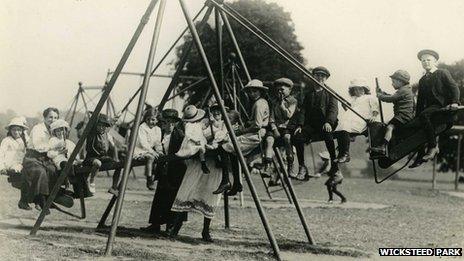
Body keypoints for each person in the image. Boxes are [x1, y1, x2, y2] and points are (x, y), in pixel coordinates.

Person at [170, 107, 225, 242]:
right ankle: (175, 228)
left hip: (214, 164)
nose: (216, 114)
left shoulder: (225, 125)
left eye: (219, 112)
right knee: (188, 191)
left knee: (210, 195)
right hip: (198, 163)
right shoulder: (202, 124)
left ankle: (205, 231)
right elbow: (196, 137)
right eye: (214, 111)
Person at [217, 79, 270, 196]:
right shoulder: (259, 102)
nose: (252, 94)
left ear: (260, 92)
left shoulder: (259, 104)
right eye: (250, 92)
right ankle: (237, 183)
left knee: (223, 147)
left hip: (255, 136)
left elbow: (257, 125)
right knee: (233, 152)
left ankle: (226, 180)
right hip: (253, 134)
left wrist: (241, 131)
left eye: (255, 91)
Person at [409, 50, 460, 167]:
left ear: (435, 61)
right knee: (418, 122)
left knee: (424, 116)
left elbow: (454, 88)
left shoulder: (442, 73)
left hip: (442, 106)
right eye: (423, 61)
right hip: (431, 108)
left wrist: (455, 102)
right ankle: (420, 154)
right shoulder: (423, 80)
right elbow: (421, 100)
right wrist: (417, 116)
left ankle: (433, 147)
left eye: (428, 60)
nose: (426, 62)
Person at [142, 109, 188, 235]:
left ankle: (171, 227)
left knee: (172, 199)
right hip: (163, 170)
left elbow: (184, 152)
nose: (169, 125)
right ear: (163, 123)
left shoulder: (179, 135)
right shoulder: (159, 134)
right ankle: (155, 224)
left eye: (172, 123)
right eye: (167, 122)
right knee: (160, 197)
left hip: (176, 171)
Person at [293, 66, 338, 180]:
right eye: (317, 75)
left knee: (328, 136)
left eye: (322, 76)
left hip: (325, 123)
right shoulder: (309, 94)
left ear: (326, 78)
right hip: (311, 125)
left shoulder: (330, 93)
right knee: (298, 137)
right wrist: (300, 125)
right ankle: (302, 166)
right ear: (313, 77)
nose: (319, 78)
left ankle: (334, 164)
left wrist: (329, 122)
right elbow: (303, 110)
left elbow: (333, 110)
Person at [21, 107, 60, 213]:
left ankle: (49, 198)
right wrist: (53, 147)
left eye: (56, 117)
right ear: (44, 118)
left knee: (53, 170)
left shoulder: (55, 130)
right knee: (40, 172)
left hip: (45, 158)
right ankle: (40, 200)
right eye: (50, 117)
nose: (53, 120)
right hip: (32, 157)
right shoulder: (38, 128)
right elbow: (39, 147)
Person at [335, 78, 379, 163]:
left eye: (360, 88)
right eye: (356, 89)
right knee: (340, 128)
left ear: (364, 89)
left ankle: (345, 154)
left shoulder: (369, 97)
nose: (358, 91)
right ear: (353, 91)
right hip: (351, 119)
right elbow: (351, 111)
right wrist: (345, 107)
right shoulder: (353, 99)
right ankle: (342, 154)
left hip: (361, 120)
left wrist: (374, 116)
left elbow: (375, 108)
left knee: (344, 127)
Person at [371, 70, 415, 154]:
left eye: (393, 82)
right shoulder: (406, 90)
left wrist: (380, 96)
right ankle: (388, 147)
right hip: (404, 116)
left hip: (402, 116)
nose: (392, 84)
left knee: (389, 127)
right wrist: (382, 93)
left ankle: (383, 147)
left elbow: (391, 98)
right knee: (390, 129)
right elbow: (392, 96)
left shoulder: (403, 90)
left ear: (400, 81)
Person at [264, 78, 298, 186]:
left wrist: (282, 104)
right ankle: (267, 166)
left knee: (287, 138)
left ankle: (290, 164)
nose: (281, 91)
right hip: (275, 127)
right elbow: (271, 117)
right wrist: (274, 129)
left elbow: (288, 115)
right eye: (279, 89)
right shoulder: (273, 101)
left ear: (289, 90)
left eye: (284, 89)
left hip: (286, 127)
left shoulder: (292, 101)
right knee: (269, 140)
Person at [83, 114, 120, 195]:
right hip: (91, 157)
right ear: (96, 125)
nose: (101, 128)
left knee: (119, 165)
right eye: (99, 125)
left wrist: (113, 120)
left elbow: (113, 146)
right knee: (97, 163)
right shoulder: (92, 132)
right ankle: (92, 181)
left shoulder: (106, 135)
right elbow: (91, 123)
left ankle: (114, 187)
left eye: (103, 126)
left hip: (102, 157)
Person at [0, 117, 29, 210]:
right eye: (14, 130)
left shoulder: (23, 140)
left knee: (29, 173)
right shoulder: (7, 140)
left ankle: (32, 198)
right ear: (10, 130)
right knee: (21, 174)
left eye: (19, 130)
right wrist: (1, 167)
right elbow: (1, 154)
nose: (16, 132)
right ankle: (24, 200)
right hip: (10, 164)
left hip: (20, 163)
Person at [133, 108, 163, 190]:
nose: (150, 122)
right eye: (148, 119)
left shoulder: (158, 129)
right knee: (151, 157)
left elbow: (157, 143)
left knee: (161, 157)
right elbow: (143, 143)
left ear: (157, 120)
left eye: (153, 120)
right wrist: (153, 152)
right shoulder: (142, 127)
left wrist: (159, 151)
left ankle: (156, 177)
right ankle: (149, 179)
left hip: (149, 150)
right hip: (139, 150)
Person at [175, 105, 209, 174]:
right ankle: (203, 163)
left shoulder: (198, 124)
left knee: (202, 148)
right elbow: (188, 135)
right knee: (199, 148)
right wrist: (195, 141)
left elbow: (205, 126)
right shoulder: (188, 125)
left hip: (199, 140)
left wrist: (209, 119)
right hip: (191, 142)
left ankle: (203, 162)